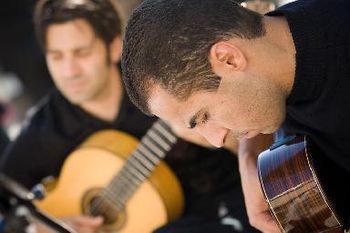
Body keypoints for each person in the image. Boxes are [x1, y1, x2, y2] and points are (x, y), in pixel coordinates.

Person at [0, 0, 257, 232]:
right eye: (56, 57)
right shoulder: (45, 130)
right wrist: (45, 227)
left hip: (230, 205)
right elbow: (7, 212)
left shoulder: (160, 78)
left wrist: (227, 137)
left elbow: (256, 125)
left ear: (113, 47)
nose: (70, 71)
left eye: (82, 53)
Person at [121, 0, 350, 232]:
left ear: (229, 58)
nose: (216, 140)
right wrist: (249, 157)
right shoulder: (280, 54)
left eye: (203, 116)